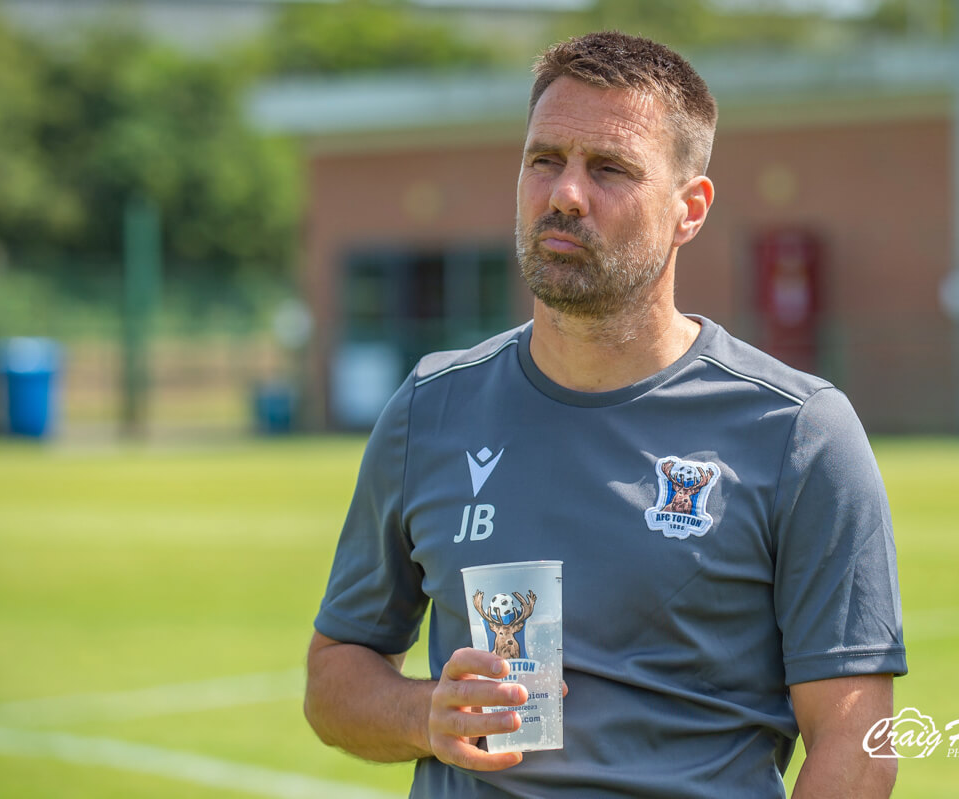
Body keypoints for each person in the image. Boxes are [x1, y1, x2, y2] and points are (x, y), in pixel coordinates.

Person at [305, 31, 906, 798]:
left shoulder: (800, 433)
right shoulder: (431, 408)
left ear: (690, 209)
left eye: (610, 168)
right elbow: (335, 673)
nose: (565, 193)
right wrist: (425, 713)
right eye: (544, 158)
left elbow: (857, 741)